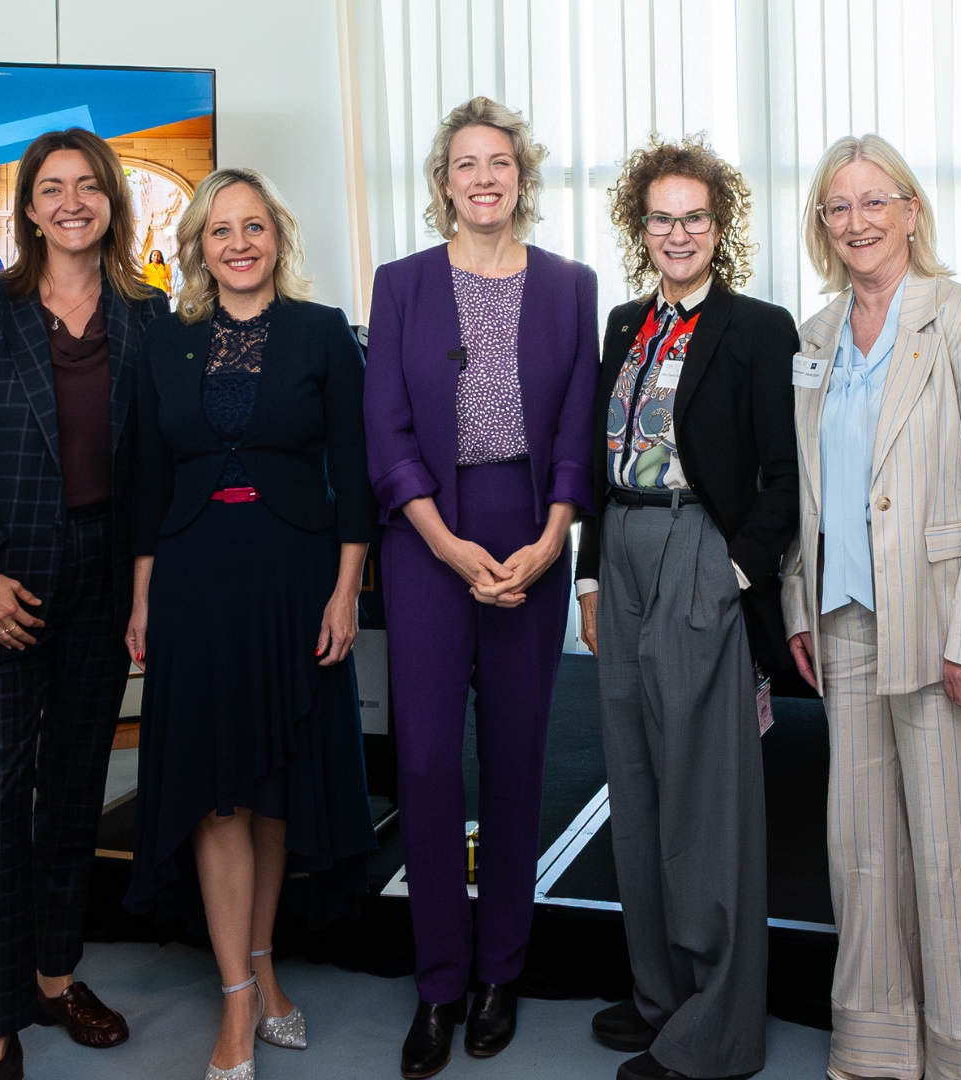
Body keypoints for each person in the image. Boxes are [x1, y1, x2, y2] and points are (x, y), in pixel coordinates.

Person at [782, 134, 961, 1080]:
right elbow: (807, 492)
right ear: (823, 225)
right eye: (836, 207)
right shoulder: (814, 337)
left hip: (943, 628)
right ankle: (880, 1050)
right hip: (845, 620)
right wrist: (799, 607)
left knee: (955, 854)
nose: (856, 222)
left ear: (910, 210)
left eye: (873, 202)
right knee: (862, 856)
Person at [0, 127, 168, 1080]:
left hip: (101, 583)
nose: (71, 202)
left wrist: (147, 587)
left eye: (88, 186)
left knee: (71, 795)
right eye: (52, 188)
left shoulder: (148, 315)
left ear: (110, 201)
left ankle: (56, 979)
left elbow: (152, 467)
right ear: (27, 208)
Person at [124, 167, 378, 1080]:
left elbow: (355, 474)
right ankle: (237, 1001)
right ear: (198, 245)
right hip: (195, 579)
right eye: (221, 229)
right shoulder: (166, 340)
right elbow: (150, 481)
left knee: (273, 786)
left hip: (294, 577)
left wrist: (347, 589)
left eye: (255, 227)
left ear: (278, 237)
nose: (239, 243)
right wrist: (144, 597)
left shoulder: (321, 333)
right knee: (214, 786)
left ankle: (264, 965)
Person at [363, 95, 597, 1079]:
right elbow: (387, 430)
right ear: (443, 182)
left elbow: (581, 425)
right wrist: (448, 546)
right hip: (427, 540)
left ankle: (501, 970)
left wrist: (551, 541)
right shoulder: (403, 283)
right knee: (422, 766)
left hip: (532, 535)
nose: (485, 177)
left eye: (500, 161)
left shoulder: (571, 285)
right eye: (466, 163)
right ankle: (438, 984)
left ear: (522, 176)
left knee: (513, 762)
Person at [573, 136, 797, 1080]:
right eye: (660, 217)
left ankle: (716, 1029)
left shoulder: (757, 327)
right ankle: (661, 994)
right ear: (640, 227)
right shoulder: (625, 322)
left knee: (707, 798)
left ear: (720, 227)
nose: (677, 233)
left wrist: (736, 575)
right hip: (620, 547)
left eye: (694, 217)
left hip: (700, 547)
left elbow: (787, 476)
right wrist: (587, 575)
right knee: (636, 781)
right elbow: (596, 455)